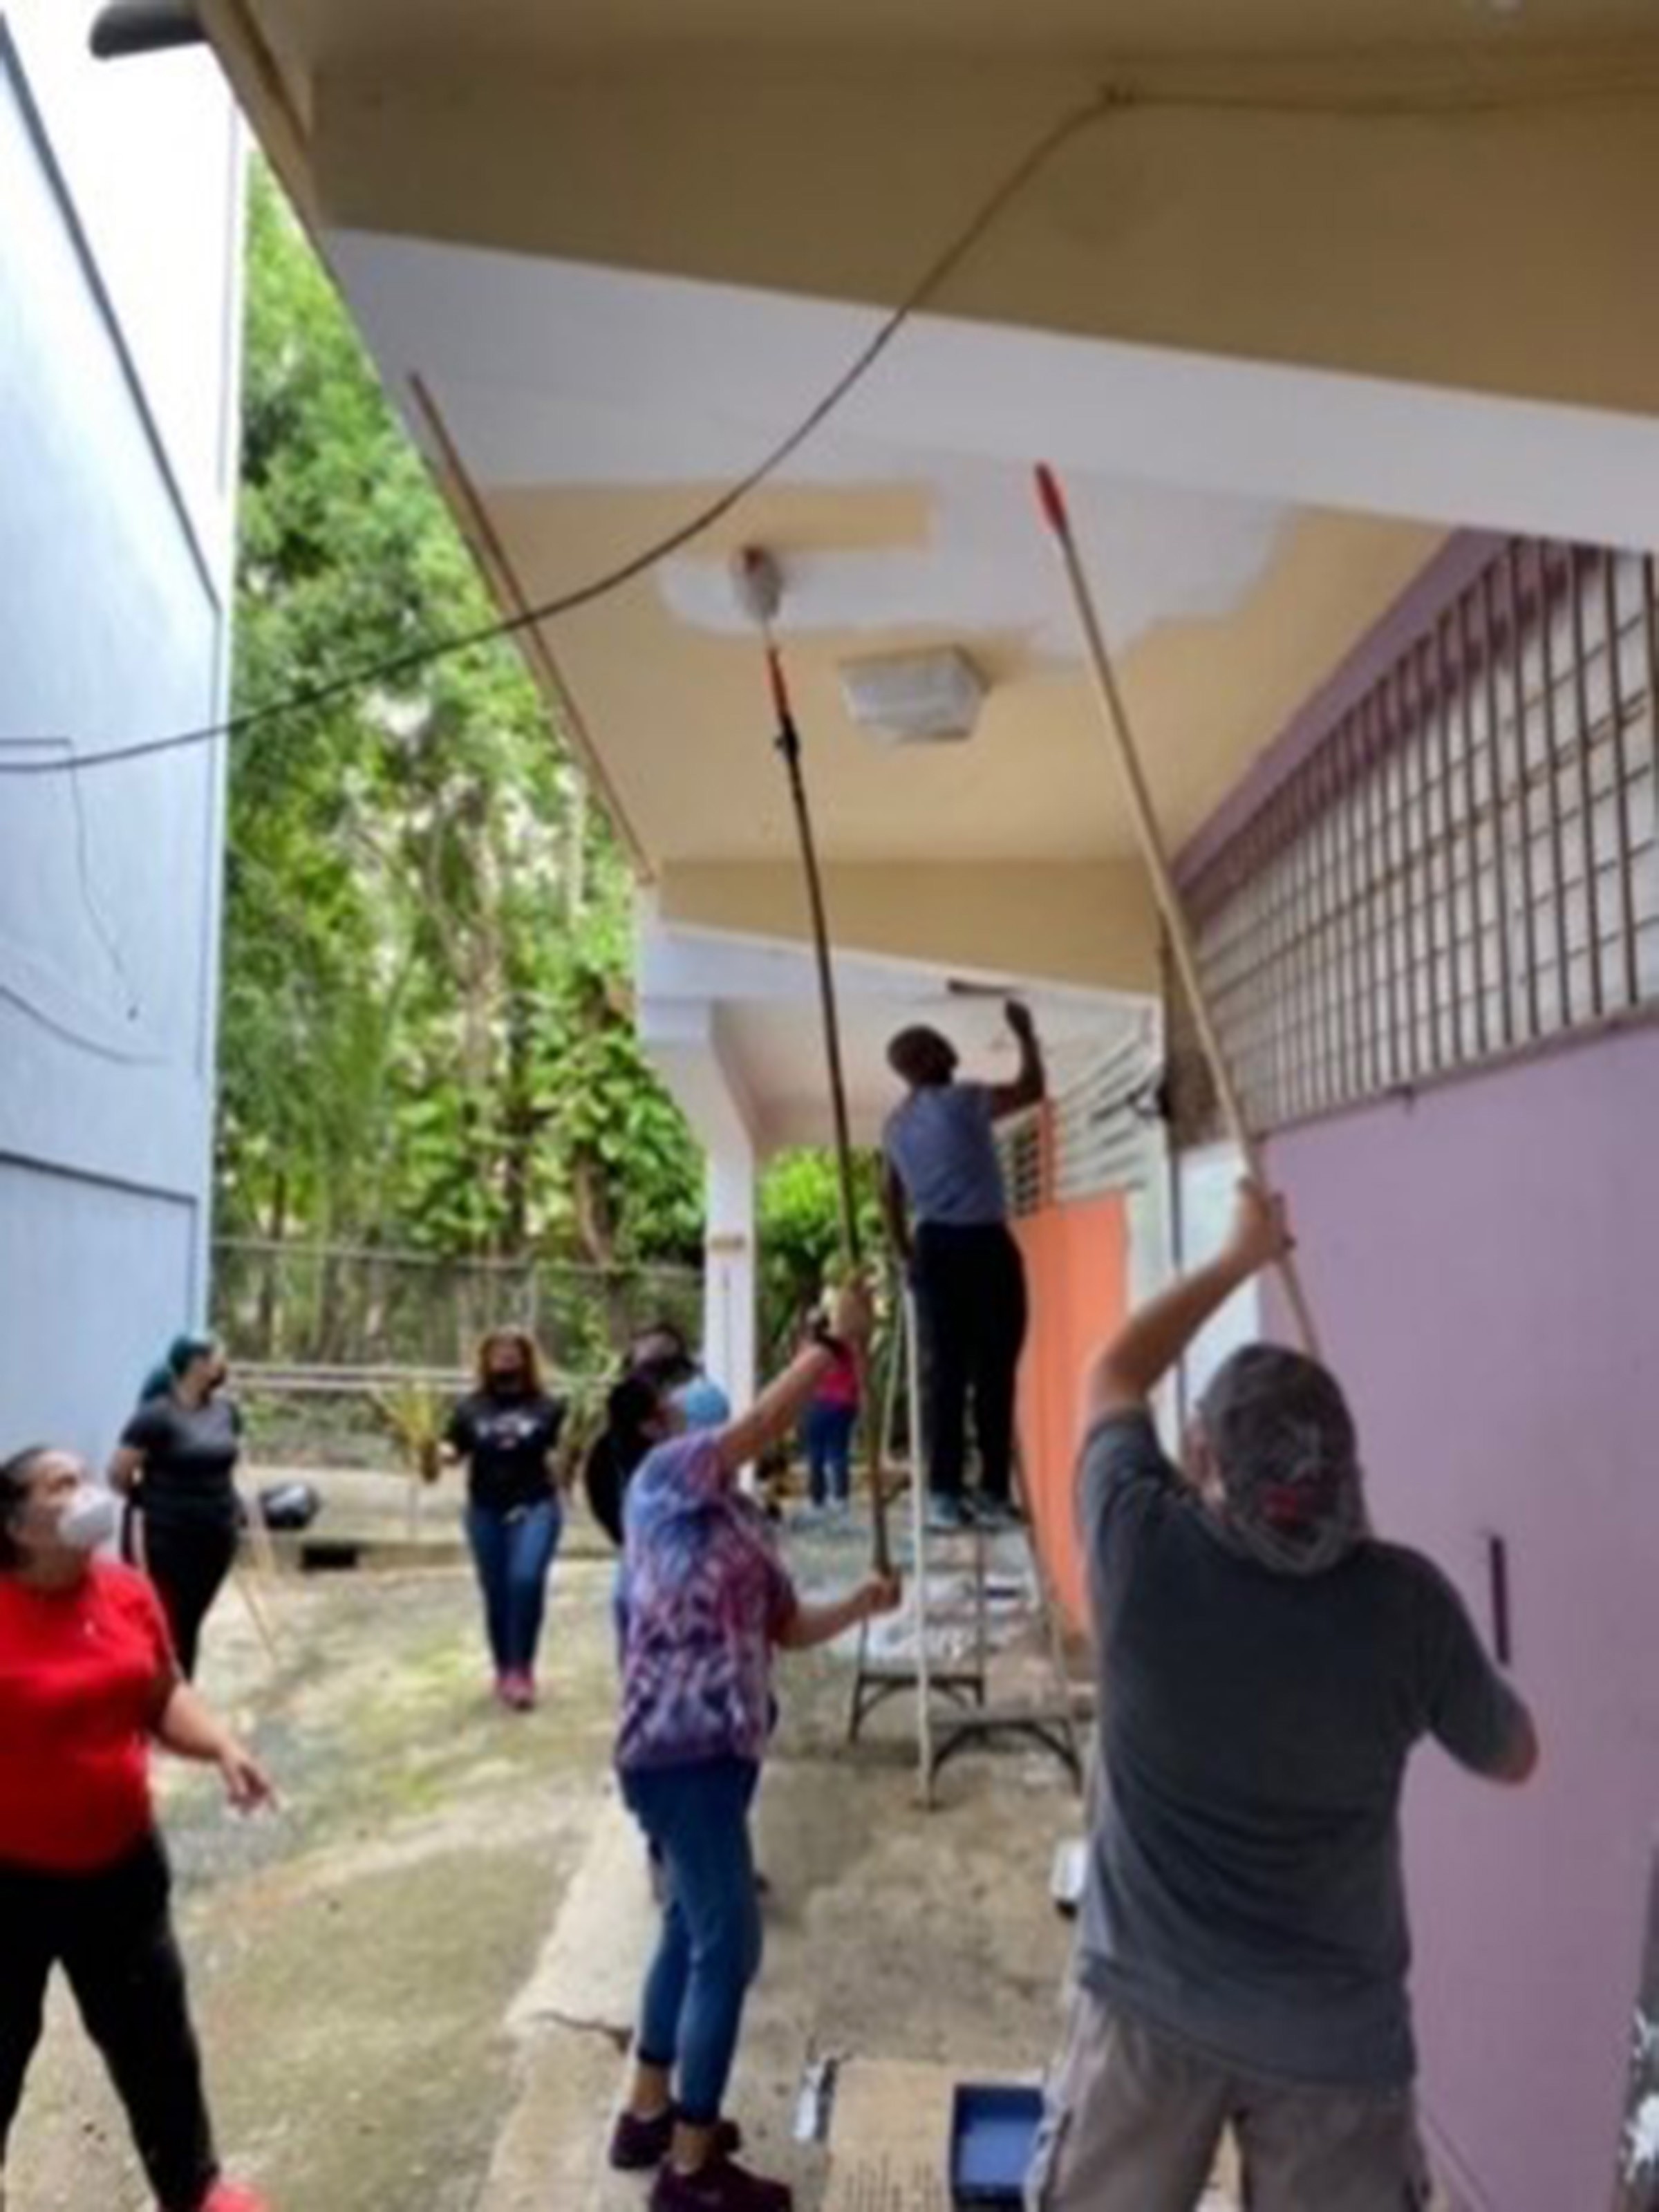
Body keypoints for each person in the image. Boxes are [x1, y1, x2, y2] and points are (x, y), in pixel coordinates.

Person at [1027, 1182, 1540, 2212]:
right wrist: (1420, 1628)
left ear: (1206, 1461)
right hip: (1335, 2048)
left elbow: (1114, 1370)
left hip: (1147, 2018)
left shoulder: (1140, 1551)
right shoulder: (1406, 1607)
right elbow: (1514, 1755)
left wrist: (1237, 1256)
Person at [608, 1280, 901, 2212]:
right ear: (659, 1425)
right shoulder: (660, 1483)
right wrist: (834, 1343)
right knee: (729, 1949)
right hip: (677, 1750)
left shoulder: (740, 1518)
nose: (699, 1402)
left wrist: (859, 1604)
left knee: (691, 1929)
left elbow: (784, 1626)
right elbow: (768, 1420)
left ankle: (651, 2112)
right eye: (680, 1395)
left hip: (723, 1755)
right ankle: (691, 2172)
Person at [0, 1444, 274, 2212]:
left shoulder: (125, 1591)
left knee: (155, 2043)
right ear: (18, 1524)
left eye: (85, 1476)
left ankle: (194, 2187)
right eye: (62, 1485)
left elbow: (159, 1695)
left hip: (119, 1868)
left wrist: (221, 1742)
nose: (88, 1491)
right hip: (9, 1879)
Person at [880, 1000, 1044, 1531]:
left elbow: (888, 1197)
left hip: (935, 1251)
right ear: (927, 1061)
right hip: (983, 1247)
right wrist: (1026, 1035)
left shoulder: (896, 1126)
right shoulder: (963, 1101)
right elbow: (1031, 1089)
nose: (949, 1048)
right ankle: (994, 1490)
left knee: (946, 1375)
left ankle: (945, 1494)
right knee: (995, 1371)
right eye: (937, 1042)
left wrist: (907, 1257)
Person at [109, 1334, 245, 1680]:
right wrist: (147, 1498)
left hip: (216, 1534)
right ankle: (160, 1694)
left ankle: (182, 1693)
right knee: (167, 1621)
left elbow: (230, 1460)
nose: (223, 1364)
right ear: (197, 1364)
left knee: (191, 1621)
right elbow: (118, 1474)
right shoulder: (155, 1417)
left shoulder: (226, 1412)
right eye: (217, 1356)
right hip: (168, 1538)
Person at [446, 1329, 567, 1711]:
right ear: (485, 1359)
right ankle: (505, 1670)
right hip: (485, 1510)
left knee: (525, 1580)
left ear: (527, 1359)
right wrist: (436, 1453)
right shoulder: (469, 1408)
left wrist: (569, 1462)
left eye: (513, 1352)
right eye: (498, 1352)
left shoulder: (548, 1406)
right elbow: (454, 1446)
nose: (505, 1359)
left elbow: (564, 1451)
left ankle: (523, 1668)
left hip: (536, 1506)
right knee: (496, 1590)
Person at [796, 1300, 861, 1515]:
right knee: (838, 1452)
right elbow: (854, 1377)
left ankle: (817, 1500)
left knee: (816, 1454)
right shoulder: (844, 1349)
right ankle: (841, 1499)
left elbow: (799, 1379)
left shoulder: (809, 1349)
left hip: (818, 1404)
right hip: (844, 1405)